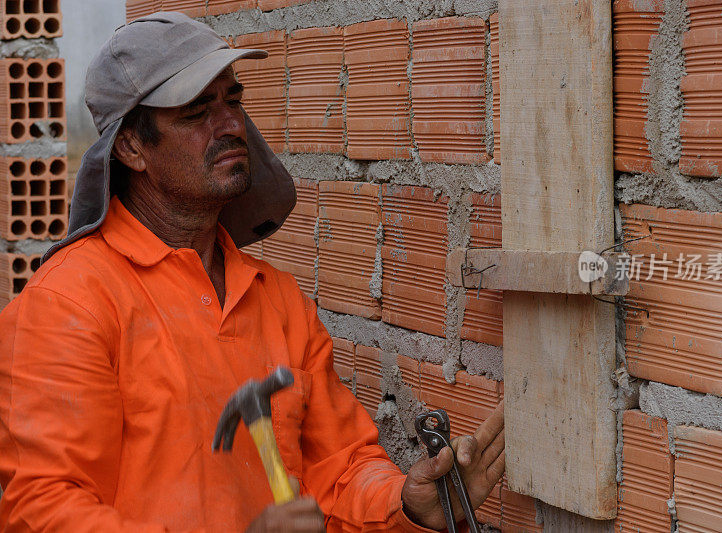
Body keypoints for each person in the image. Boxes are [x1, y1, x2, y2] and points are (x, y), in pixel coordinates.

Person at [0, 12, 505, 532]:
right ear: (131, 147)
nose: (232, 125)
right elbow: (43, 512)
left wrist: (402, 501)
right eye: (198, 111)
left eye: (233, 101)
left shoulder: (277, 301)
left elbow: (341, 468)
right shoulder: (67, 305)